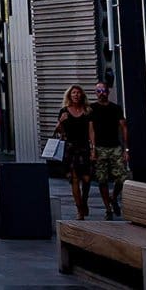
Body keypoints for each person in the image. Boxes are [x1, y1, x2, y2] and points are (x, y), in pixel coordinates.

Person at [90, 82, 129, 220]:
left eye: (104, 91)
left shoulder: (115, 108)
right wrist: (93, 148)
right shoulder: (92, 108)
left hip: (114, 146)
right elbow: (91, 129)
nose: (101, 93)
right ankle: (108, 208)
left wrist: (126, 148)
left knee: (122, 176)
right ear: (96, 93)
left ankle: (113, 197)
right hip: (100, 146)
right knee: (102, 179)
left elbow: (123, 127)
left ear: (108, 92)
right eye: (98, 91)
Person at [54, 85, 94, 220]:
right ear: (69, 96)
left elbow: (91, 131)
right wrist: (61, 121)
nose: (76, 95)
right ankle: (79, 210)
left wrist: (93, 148)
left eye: (78, 93)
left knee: (87, 178)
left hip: (84, 147)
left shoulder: (87, 111)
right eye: (73, 93)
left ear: (82, 95)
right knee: (74, 179)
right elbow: (59, 131)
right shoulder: (64, 111)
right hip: (70, 148)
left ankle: (84, 201)